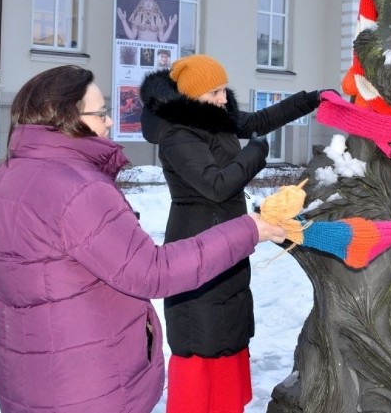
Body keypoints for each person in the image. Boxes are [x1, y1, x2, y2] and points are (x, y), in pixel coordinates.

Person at [0, 65, 286, 413]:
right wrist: (250, 229)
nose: (109, 123)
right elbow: (152, 272)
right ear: (65, 119)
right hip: (87, 384)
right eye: (101, 113)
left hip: (26, 376)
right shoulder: (78, 190)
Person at [139, 54, 325, 413]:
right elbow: (216, 185)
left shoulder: (211, 117)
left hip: (229, 239)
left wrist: (311, 99)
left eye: (224, 89)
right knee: (202, 339)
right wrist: (255, 153)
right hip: (197, 244)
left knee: (227, 333)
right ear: (192, 96)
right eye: (214, 92)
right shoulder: (177, 134)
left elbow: (260, 120)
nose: (223, 98)